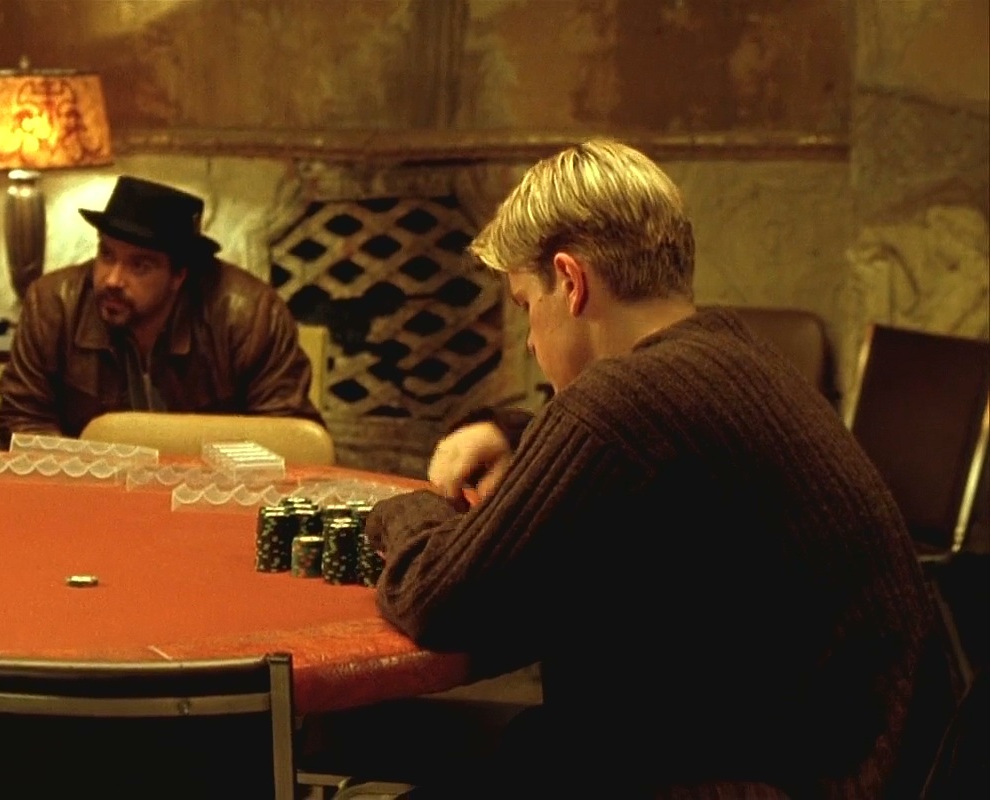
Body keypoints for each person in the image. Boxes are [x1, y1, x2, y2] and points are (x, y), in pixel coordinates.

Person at [361, 139, 956, 796]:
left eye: (526, 305)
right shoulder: (731, 354)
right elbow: (647, 470)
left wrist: (399, 510)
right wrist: (510, 433)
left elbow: (440, 600)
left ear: (571, 281)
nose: (529, 341)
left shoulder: (622, 403)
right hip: (854, 765)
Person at [0, 176, 321, 438]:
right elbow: (21, 419)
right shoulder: (54, 304)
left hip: (209, 491)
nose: (112, 279)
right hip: (89, 489)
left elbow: (285, 438)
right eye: (107, 254)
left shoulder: (250, 316)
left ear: (179, 275)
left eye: (140, 266)